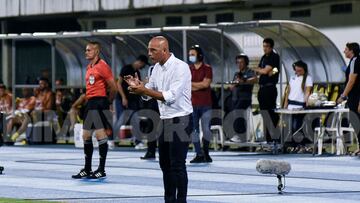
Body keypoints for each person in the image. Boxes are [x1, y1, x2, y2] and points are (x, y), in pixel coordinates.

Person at [124, 36, 193, 203]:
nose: (149, 54)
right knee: (165, 164)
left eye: (153, 50)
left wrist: (144, 91)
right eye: (148, 50)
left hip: (180, 119)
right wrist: (138, 86)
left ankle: (181, 201)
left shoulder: (180, 67)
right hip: (164, 119)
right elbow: (150, 91)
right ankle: (169, 200)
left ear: (164, 50)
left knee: (177, 165)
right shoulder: (155, 68)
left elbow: (170, 97)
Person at [72, 41, 117, 179]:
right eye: (86, 50)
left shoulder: (103, 66)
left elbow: (113, 87)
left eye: (89, 50)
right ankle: (87, 168)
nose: (86, 52)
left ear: (96, 52)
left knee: (100, 135)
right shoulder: (89, 67)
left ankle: (101, 169)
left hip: (99, 102)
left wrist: (107, 102)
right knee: (86, 135)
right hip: (90, 103)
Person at [117, 55, 149, 149]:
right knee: (121, 120)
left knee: (135, 120)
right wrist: (123, 98)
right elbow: (118, 83)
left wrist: (145, 82)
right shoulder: (126, 68)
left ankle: (138, 141)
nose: (143, 67)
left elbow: (137, 85)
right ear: (140, 62)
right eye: (143, 65)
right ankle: (110, 139)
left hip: (133, 100)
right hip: (122, 99)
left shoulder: (137, 72)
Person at [252, 38, 280, 144]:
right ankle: (268, 138)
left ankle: (274, 137)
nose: (265, 48)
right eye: (264, 46)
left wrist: (260, 70)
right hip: (262, 88)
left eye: (267, 46)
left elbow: (266, 71)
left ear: (271, 47)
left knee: (271, 113)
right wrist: (262, 71)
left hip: (269, 88)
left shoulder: (274, 57)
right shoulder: (264, 57)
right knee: (265, 113)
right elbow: (263, 71)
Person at [188, 45, 213, 163]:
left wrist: (192, 85)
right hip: (192, 104)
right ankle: (199, 153)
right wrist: (198, 85)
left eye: (193, 54)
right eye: (190, 54)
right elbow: (186, 86)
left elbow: (206, 85)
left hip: (205, 103)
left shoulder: (207, 68)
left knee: (206, 129)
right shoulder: (188, 69)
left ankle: (206, 152)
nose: (190, 57)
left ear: (199, 55)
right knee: (194, 130)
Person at [283, 60, 313, 153]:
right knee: (290, 126)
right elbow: (288, 91)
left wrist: (307, 103)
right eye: (296, 71)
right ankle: (293, 145)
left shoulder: (308, 78)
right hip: (291, 105)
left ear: (304, 69)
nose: (297, 73)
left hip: (300, 105)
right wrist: (285, 104)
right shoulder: (292, 78)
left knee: (297, 126)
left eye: (299, 71)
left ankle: (301, 144)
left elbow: (308, 91)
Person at [337, 42, 360, 156]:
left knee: (356, 120)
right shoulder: (354, 61)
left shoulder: (355, 60)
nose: (344, 51)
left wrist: (343, 95)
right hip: (355, 96)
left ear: (351, 51)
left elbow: (352, 80)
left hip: (355, 96)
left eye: (346, 49)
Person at [229, 54, 257, 143]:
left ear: (246, 63)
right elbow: (232, 85)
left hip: (245, 98)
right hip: (236, 98)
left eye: (241, 62)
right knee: (230, 112)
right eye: (238, 63)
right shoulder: (236, 74)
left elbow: (254, 79)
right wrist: (234, 84)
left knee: (238, 112)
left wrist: (243, 81)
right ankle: (233, 133)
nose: (239, 65)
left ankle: (241, 135)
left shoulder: (250, 72)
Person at [140, 65, 160, 160]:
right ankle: (151, 151)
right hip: (153, 103)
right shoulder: (152, 68)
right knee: (151, 128)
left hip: (164, 102)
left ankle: (167, 152)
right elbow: (148, 83)